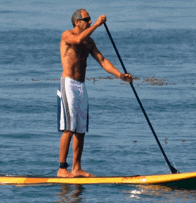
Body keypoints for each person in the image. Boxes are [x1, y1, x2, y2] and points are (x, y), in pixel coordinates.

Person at [57, 8, 132, 178]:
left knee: (81, 129)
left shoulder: (89, 42)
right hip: (68, 84)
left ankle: (76, 168)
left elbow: (103, 60)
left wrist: (120, 75)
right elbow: (77, 40)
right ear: (77, 21)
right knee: (69, 128)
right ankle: (62, 168)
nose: (89, 22)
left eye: (91, 20)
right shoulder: (67, 35)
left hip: (81, 86)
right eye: (87, 19)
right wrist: (97, 24)